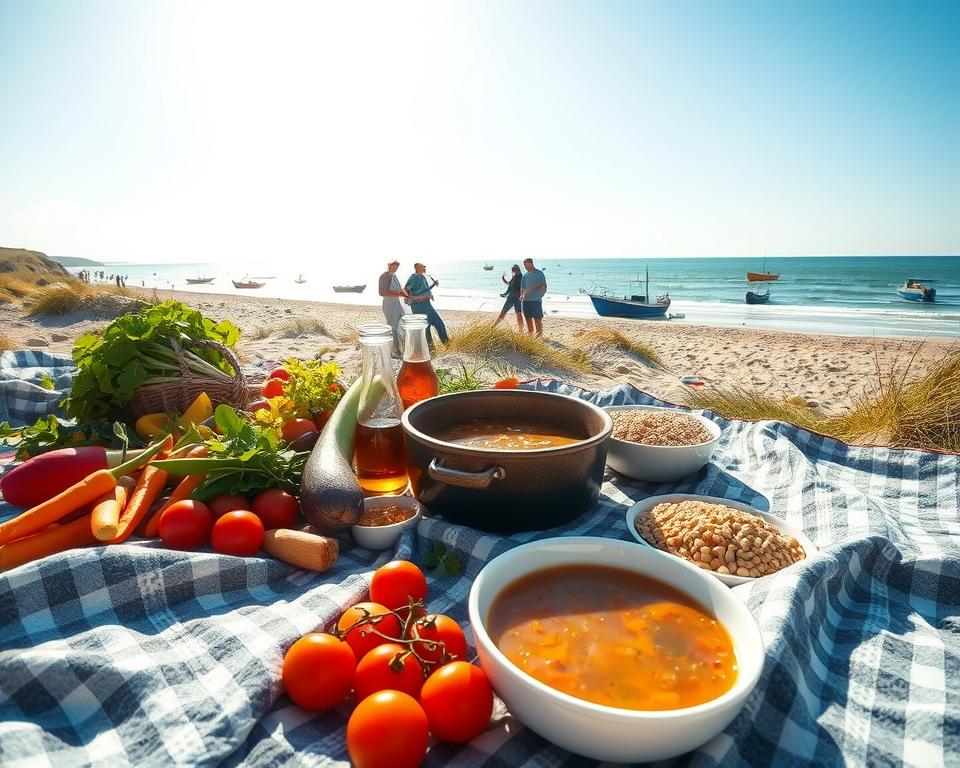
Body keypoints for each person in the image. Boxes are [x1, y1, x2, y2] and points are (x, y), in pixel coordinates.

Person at [404, 262, 449, 345]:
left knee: (440, 324)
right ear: (417, 268)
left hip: (428, 306)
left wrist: (433, 285)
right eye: (423, 267)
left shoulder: (423, 277)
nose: (425, 268)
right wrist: (419, 297)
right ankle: (431, 351)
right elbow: (406, 292)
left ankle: (448, 346)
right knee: (426, 330)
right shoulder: (413, 278)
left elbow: (424, 289)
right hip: (419, 307)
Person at [378, 260, 408, 355]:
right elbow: (382, 292)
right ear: (389, 265)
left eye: (397, 267)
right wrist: (397, 294)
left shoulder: (394, 276)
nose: (395, 269)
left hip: (398, 305)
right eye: (393, 266)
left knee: (402, 327)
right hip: (390, 306)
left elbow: (400, 290)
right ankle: (394, 351)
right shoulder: (384, 276)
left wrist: (407, 296)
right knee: (393, 329)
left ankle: (400, 349)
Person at [519, 258, 547, 335]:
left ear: (532, 264)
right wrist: (522, 296)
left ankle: (539, 335)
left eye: (528, 265)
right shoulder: (525, 275)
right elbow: (522, 288)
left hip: (536, 301)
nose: (527, 268)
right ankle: (530, 334)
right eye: (525, 266)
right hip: (526, 301)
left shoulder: (539, 273)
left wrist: (540, 296)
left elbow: (544, 286)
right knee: (528, 318)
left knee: (537, 319)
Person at [494, 264, 524, 332]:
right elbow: (508, 283)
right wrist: (503, 278)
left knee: (518, 314)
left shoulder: (522, 278)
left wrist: (522, 296)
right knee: (503, 312)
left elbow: (523, 288)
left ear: (518, 270)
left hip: (516, 298)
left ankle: (521, 330)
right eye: (512, 271)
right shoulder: (515, 277)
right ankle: (494, 326)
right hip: (511, 297)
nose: (513, 272)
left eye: (514, 270)